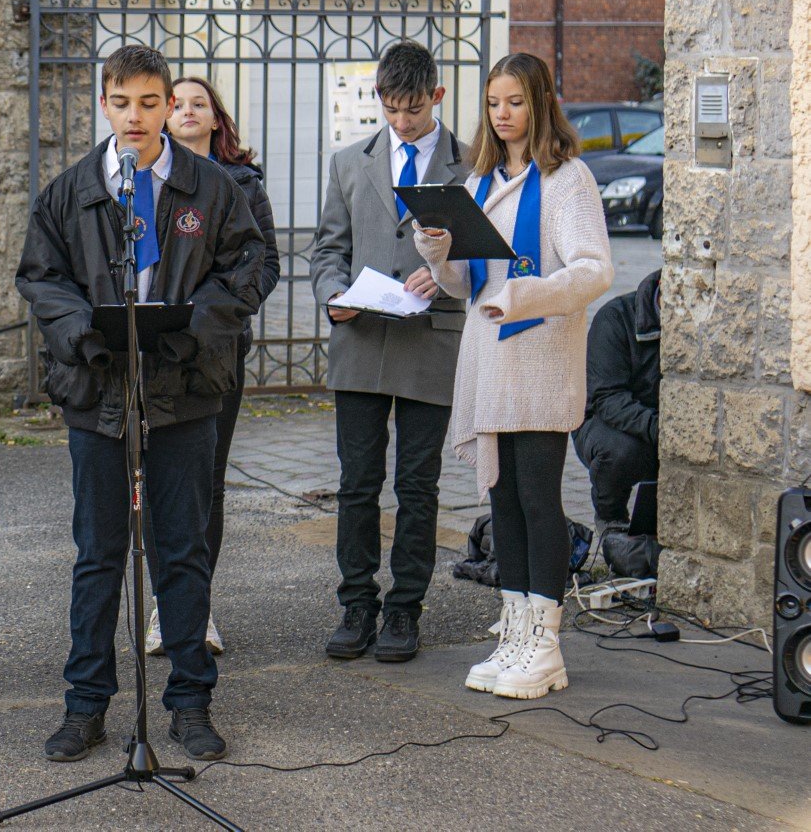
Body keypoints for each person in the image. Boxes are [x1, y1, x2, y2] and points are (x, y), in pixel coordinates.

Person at [16, 44, 264, 763]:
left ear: (168, 107)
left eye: (150, 103)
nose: (136, 116)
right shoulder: (69, 190)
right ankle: (85, 703)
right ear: (104, 104)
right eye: (121, 103)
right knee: (98, 554)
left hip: (182, 390)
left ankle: (189, 700)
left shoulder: (210, 187)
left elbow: (247, 267)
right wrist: (80, 335)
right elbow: (41, 275)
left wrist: (190, 330)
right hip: (98, 392)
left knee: (181, 550)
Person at [415, 51, 613, 700]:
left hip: (539, 355)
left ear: (540, 102)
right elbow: (464, 285)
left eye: (515, 103)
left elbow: (593, 271)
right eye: (493, 104)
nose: (502, 116)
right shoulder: (475, 183)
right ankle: (516, 631)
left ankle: (546, 644)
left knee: (535, 497)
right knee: (501, 503)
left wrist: (527, 295)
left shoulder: (566, 180)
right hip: (487, 356)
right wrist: (436, 251)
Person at [309, 40, 468, 664]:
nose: (400, 121)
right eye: (389, 108)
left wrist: (448, 269)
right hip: (362, 337)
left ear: (437, 96)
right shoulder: (350, 162)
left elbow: (488, 252)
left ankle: (405, 610)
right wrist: (332, 295)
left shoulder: (473, 163)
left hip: (432, 339)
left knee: (418, 485)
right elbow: (326, 249)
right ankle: (356, 604)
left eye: (411, 109)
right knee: (357, 483)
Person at [145, 75, 281, 657]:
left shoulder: (242, 184)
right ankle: (162, 605)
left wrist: (216, 319)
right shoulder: (145, 179)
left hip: (217, 355)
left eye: (201, 103)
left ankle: (195, 609)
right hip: (152, 352)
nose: (189, 111)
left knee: (206, 482)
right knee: (154, 483)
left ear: (217, 118)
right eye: (178, 104)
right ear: (164, 119)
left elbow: (265, 264)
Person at [574, 270, 661, 533]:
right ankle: (610, 518)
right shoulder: (615, 317)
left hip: (657, 421)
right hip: (601, 421)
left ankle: (653, 525)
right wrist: (659, 429)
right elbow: (608, 398)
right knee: (621, 452)